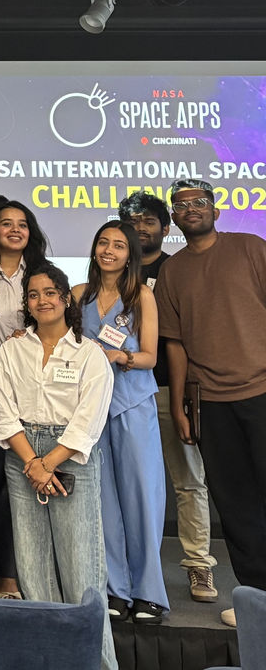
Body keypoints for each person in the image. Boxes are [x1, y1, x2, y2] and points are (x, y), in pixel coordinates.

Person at [155, 178, 266, 629]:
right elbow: (175, 345)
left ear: (216, 209)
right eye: (180, 205)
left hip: (262, 391)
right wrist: (181, 407)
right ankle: (256, 602)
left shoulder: (251, 248)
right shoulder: (172, 271)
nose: (190, 209)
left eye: (199, 202)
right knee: (235, 505)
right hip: (212, 403)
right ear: (174, 219)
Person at [0, 264, 116, 670]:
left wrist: (48, 463)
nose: (41, 300)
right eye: (33, 294)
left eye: (50, 292)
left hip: (70, 459)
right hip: (22, 456)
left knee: (83, 571)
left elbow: (88, 421)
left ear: (66, 298)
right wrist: (33, 462)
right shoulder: (12, 349)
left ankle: (97, 664)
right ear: (25, 303)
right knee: (32, 569)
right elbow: (5, 413)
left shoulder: (90, 353)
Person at [118, 191, 217, 603]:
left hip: (166, 388)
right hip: (120, 394)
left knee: (189, 481)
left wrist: (182, 399)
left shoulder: (179, 270)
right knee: (127, 485)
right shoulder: (111, 270)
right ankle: (129, 568)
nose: (141, 227)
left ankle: (199, 566)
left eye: (149, 220)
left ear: (166, 226)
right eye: (133, 220)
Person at [72, 220, 168, 624]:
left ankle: (149, 592)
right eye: (102, 243)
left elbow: (150, 356)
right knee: (103, 503)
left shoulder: (142, 296)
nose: (109, 250)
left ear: (131, 254)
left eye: (118, 245)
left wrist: (120, 357)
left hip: (132, 406)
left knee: (142, 499)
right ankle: (116, 590)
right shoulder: (78, 295)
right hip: (91, 412)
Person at [0, 198, 49, 600]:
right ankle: (8, 572)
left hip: (38, 384)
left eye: (22, 224)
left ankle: (42, 568)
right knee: (0, 477)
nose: (15, 229)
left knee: (34, 472)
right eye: (6, 223)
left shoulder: (43, 275)